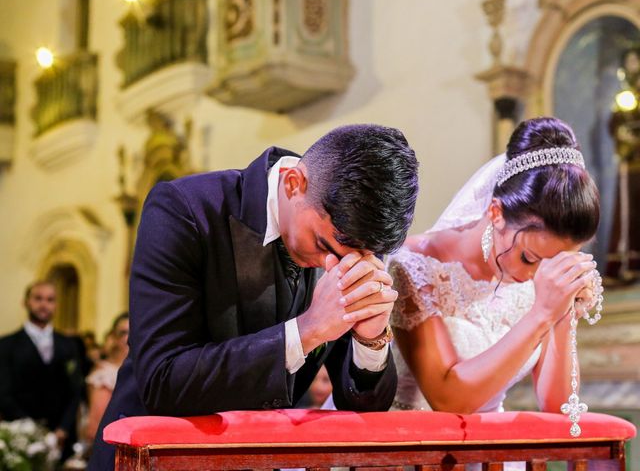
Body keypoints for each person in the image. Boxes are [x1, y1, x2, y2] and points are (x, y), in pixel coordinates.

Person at [88, 124, 419, 469]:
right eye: (322, 244)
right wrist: (307, 331)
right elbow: (162, 381)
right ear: (294, 183)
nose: (330, 263)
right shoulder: (185, 209)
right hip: (155, 458)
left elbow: (363, 407)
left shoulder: (354, 239)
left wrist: (371, 341)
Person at [388, 117, 600, 415]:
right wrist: (541, 313)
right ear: (496, 211)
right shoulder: (414, 265)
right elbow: (448, 400)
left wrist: (562, 313)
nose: (533, 276)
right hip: (409, 445)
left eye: (555, 264)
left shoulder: (542, 286)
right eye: (529, 257)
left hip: (491, 454)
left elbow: (558, 407)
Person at [0, 281, 83, 461]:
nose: (44, 304)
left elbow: (75, 391)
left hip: (62, 441)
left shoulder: (68, 345)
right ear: (26, 302)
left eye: (50, 299)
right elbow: (4, 394)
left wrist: (63, 428)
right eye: (38, 298)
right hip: (20, 440)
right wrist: (33, 432)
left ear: (56, 304)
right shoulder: (6, 345)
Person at [85, 313, 129, 443]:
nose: (129, 338)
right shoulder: (105, 374)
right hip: (113, 444)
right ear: (114, 338)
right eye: (123, 333)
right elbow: (97, 425)